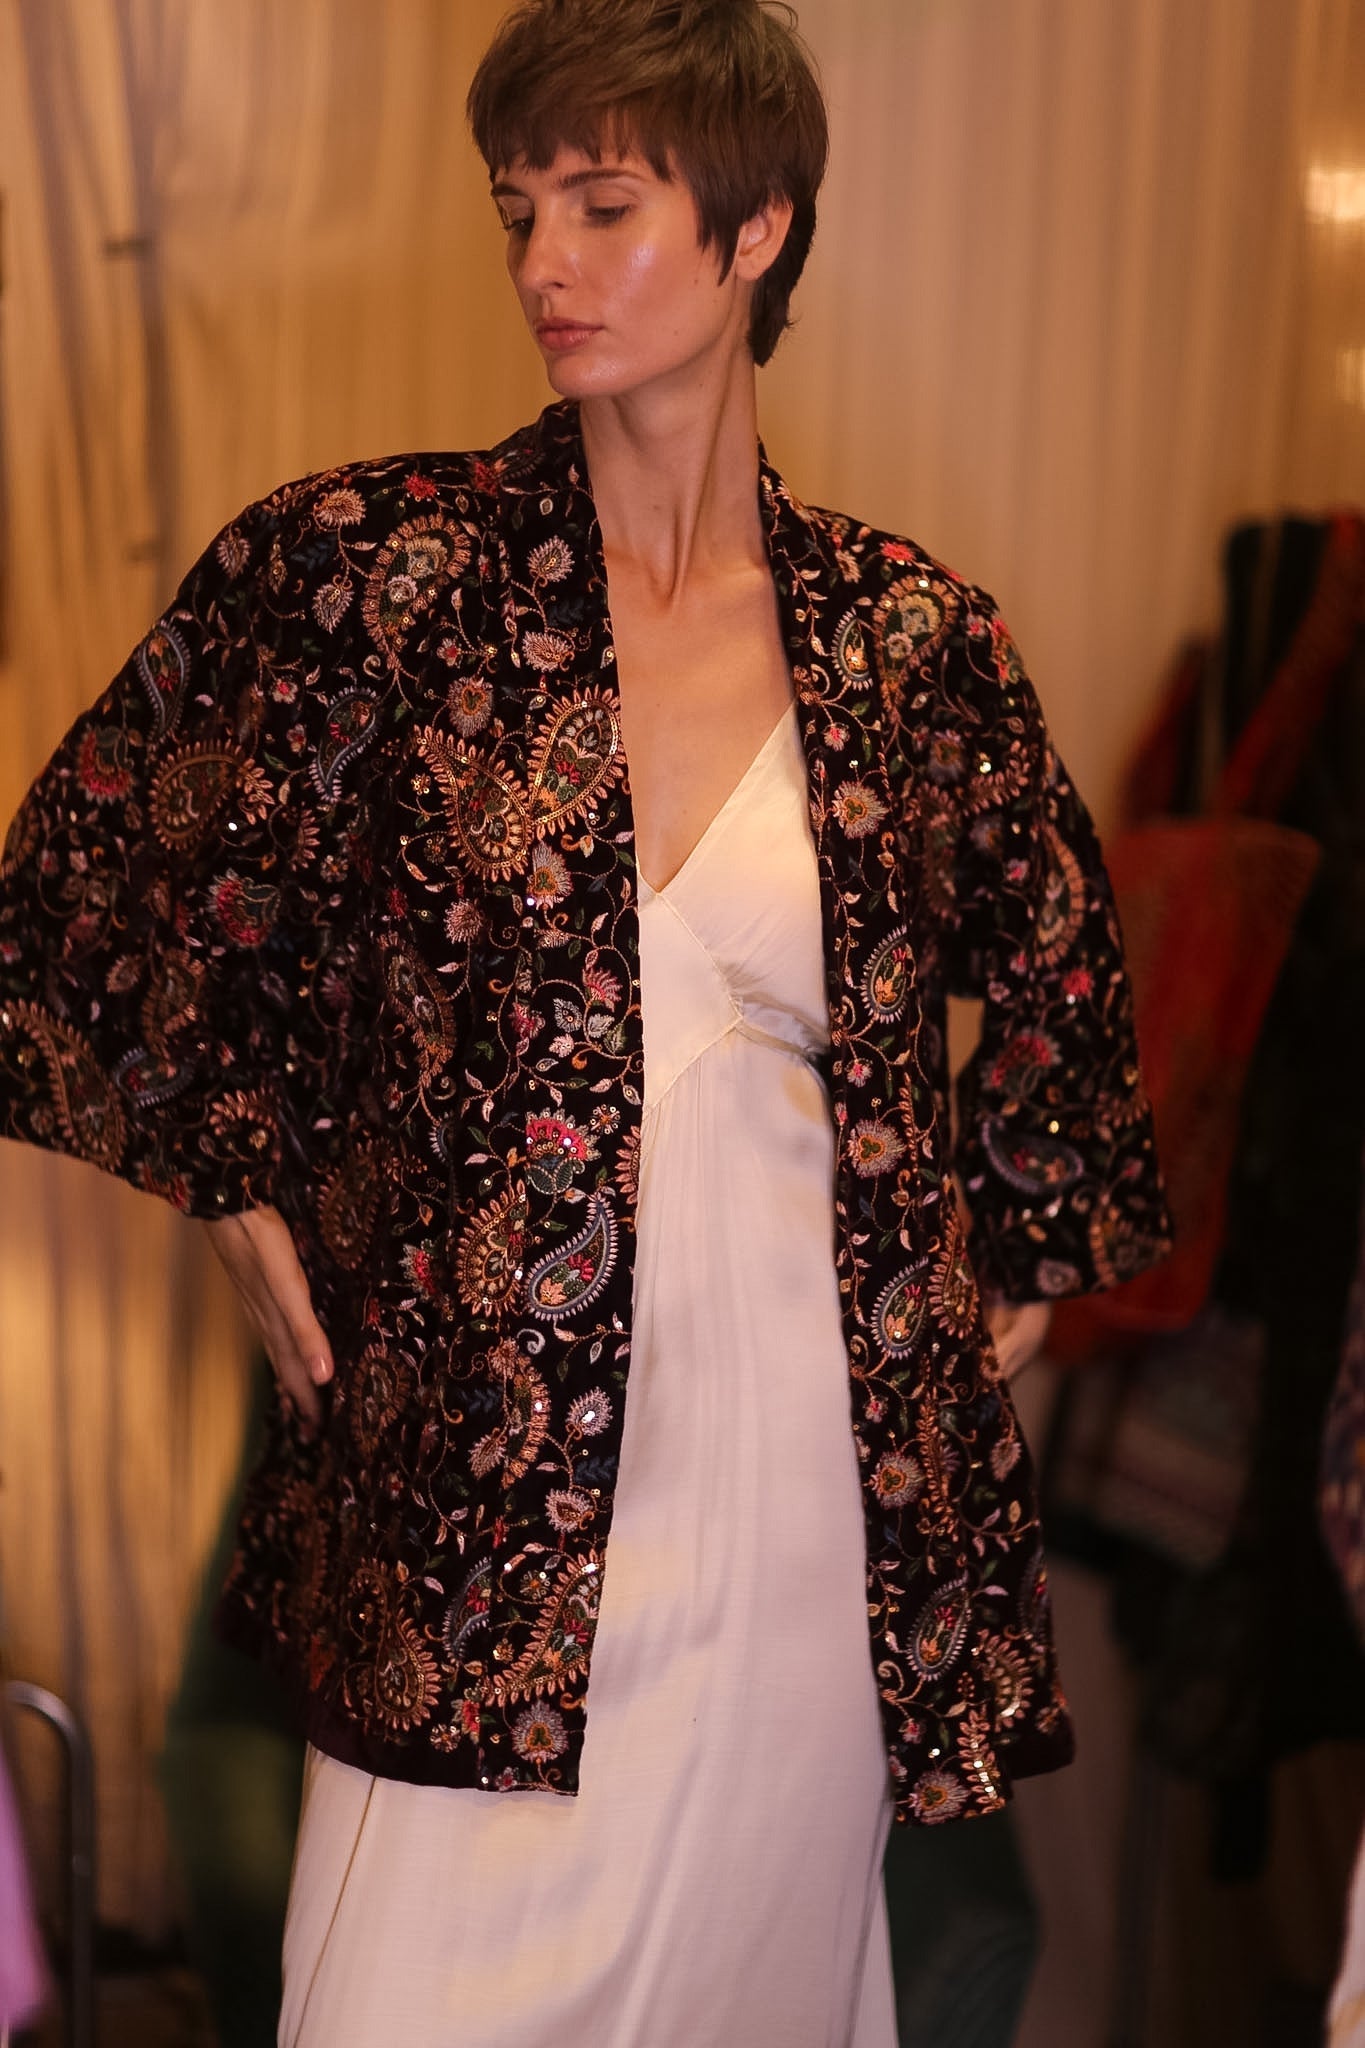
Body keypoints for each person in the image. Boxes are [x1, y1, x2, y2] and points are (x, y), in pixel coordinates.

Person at [0, 2, 1171, 2040]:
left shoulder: (908, 641)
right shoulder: (373, 578)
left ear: (754, 228)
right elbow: (81, 886)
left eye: (603, 204)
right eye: (517, 206)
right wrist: (225, 1175)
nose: (544, 258)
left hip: (806, 1498)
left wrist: (1004, 1282)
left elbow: (1065, 991)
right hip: (477, 1493)